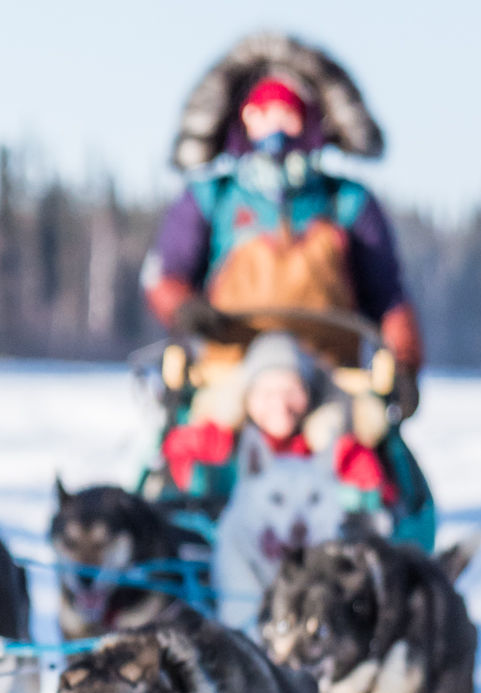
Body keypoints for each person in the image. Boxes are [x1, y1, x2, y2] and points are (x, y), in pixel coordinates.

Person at [142, 34, 424, 414]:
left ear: (309, 121)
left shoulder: (347, 202)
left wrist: (404, 366)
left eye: (286, 114)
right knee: (183, 451)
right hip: (228, 378)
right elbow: (166, 275)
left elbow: (389, 299)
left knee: (381, 454)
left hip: (332, 382)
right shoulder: (213, 196)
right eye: (262, 114)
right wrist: (184, 308)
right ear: (244, 120)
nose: (274, 127)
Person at [161, 332, 397, 518]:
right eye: (266, 393)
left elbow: (371, 494)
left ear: (309, 395)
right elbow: (176, 452)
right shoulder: (221, 438)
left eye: (291, 391)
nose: (279, 404)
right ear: (246, 398)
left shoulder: (335, 447)